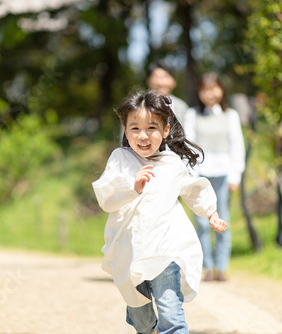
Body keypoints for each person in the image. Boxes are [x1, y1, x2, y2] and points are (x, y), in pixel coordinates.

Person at [92, 89, 227, 334]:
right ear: (125, 129)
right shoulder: (120, 159)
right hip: (129, 252)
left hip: (166, 251)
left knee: (172, 315)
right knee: (142, 322)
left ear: (165, 131)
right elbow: (106, 197)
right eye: (135, 128)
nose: (143, 136)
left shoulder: (172, 163)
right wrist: (132, 186)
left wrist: (211, 213)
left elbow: (193, 188)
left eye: (152, 128)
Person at [184, 73, 246, 282]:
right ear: (199, 93)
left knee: (222, 218)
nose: (210, 93)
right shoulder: (193, 115)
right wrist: (190, 174)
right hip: (200, 174)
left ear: (221, 90)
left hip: (223, 172)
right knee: (201, 222)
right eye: (205, 89)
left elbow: (237, 144)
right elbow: (189, 144)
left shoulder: (231, 115)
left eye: (214, 88)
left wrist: (235, 174)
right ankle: (206, 267)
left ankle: (222, 266)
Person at [146, 61, 189, 125]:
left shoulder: (182, 107)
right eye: (157, 77)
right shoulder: (139, 104)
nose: (160, 82)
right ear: (148, 80)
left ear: (174, 82)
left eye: (165, 77)